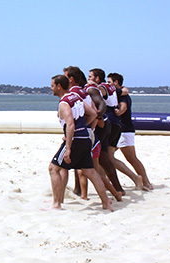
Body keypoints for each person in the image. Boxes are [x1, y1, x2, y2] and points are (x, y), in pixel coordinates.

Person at [43, 74, 113, 212]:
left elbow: (70, 124)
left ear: (59, 86)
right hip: (85, 138)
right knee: (90, 171)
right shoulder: (77, 98)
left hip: (75, 140)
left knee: (53, 168)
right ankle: (106, 203)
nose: (51, 88)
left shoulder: (64, 103)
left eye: (52, 85)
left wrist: (68, 148)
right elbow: (93, 114)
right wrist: (83, 127)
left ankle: (56, 204)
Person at [62, 66, 121, 202]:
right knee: (92, 167)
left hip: (91, 130)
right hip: (95, 129)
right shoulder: (85, 91)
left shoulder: (83, 91)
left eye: (91, 76)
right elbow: (95, 111)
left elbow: (98, 109)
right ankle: (113, 192)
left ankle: (67, 197)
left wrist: (87, 126)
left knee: (87, 167)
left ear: (71, 79)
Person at [109, 72, 153, 191]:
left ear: (116, 83)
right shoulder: (118, 94)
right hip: (124, 130)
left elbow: (123, 106)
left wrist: (119, 111)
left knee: (109, 157)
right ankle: (145, 182)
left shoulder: (122, 95)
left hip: (123, 131)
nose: (108, 84)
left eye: (109, 82)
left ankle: (140, 180)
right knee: (130, 158)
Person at [89, 68, 125, 195]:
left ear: (97, 78)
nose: (89, 79)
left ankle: (110, 187)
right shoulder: (111, 87)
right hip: (115, 123)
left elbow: (101, 101)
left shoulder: (101, 88)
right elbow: (124, 91)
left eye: (90, 77)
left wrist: (98, 115)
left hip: (108, 123)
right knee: (106, 158)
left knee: (102, 158)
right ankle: (115, 187)